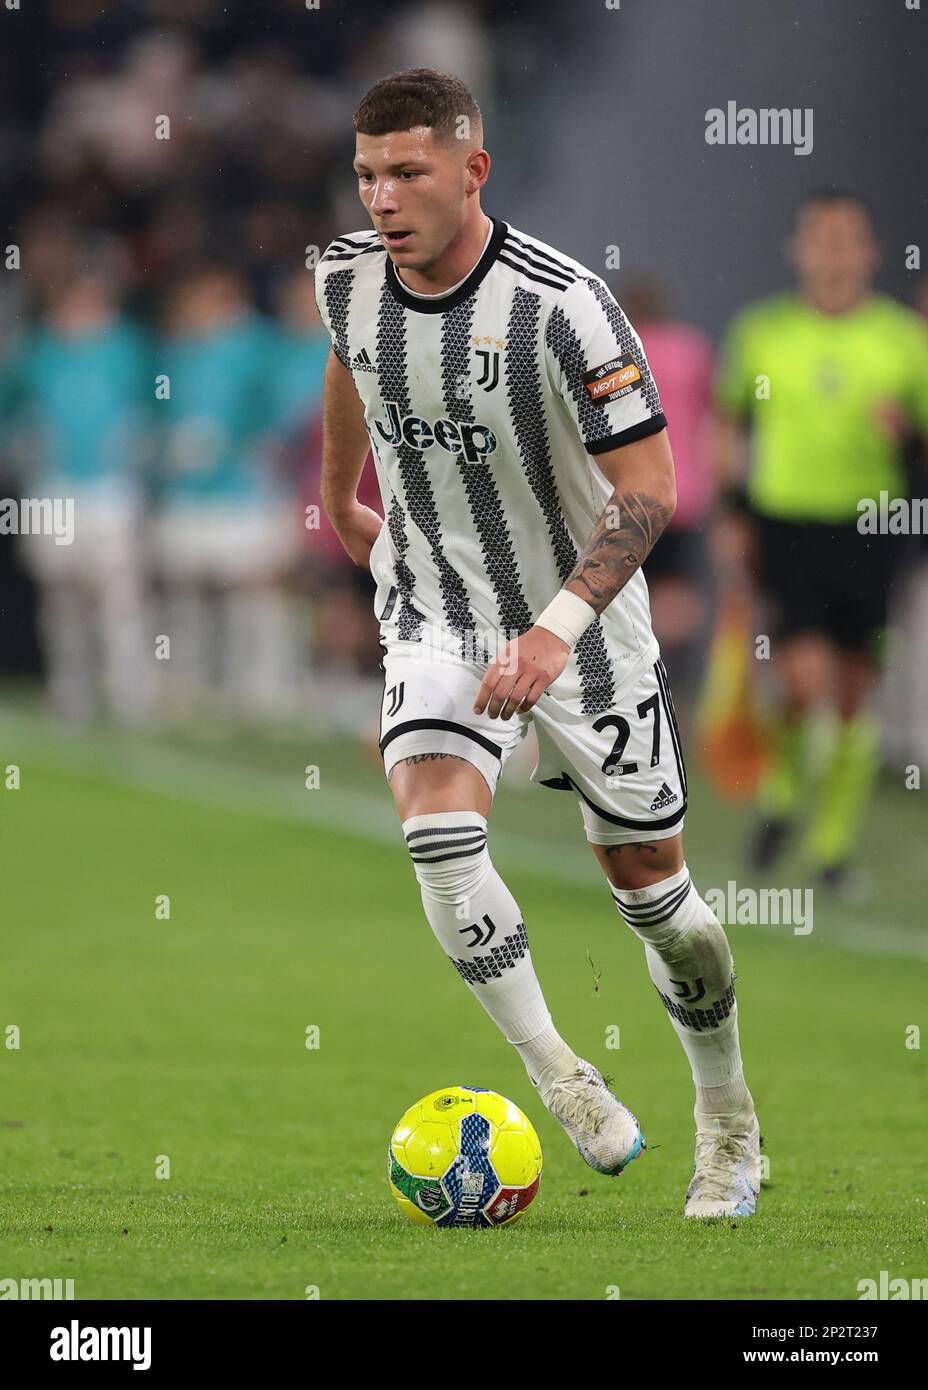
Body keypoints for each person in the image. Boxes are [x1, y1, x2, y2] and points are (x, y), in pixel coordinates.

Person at [315, 67, 760, 1219]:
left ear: (473, 170)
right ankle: (559, 1075)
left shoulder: (566, 304)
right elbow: (352, 364)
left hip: (584, 626)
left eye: (407, 171)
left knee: (657, 898)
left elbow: (650, 486)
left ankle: (727, 1116)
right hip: (432, 604)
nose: (382, 197)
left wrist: (558, 629)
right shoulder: (344, 279)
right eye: (367, 175)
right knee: (437, 822)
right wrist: (338, 493)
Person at [715, 191, 928, 893]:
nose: (834, 253)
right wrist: (731, 512)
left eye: (848, 240)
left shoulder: (902, 339)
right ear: (799, 250)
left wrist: (908, 437)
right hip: (789, 526)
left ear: (869, 252)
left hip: (872, 527)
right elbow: (727, 425)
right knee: (803, 680)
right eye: (821, 240)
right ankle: (780, 793)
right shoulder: (763, 332)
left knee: (854, 695)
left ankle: (832, 849)